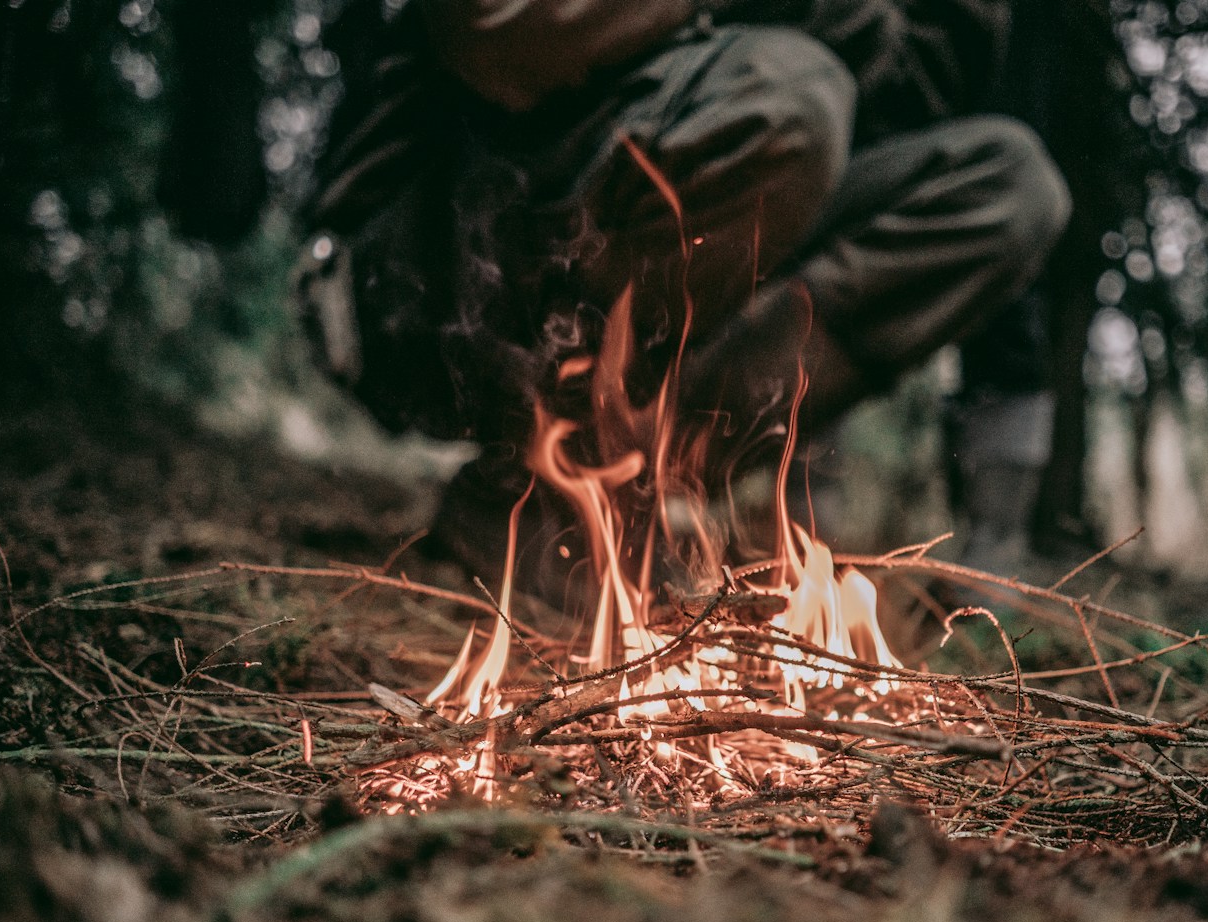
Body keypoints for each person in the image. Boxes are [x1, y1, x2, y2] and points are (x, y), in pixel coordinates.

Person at [298, 0, 1071, 588]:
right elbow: (495, 29)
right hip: (423, 269)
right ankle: (557, 481)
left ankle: (571, 501)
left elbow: (898, 109)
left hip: (632, 218)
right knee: (789, 94)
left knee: (1006, 187)